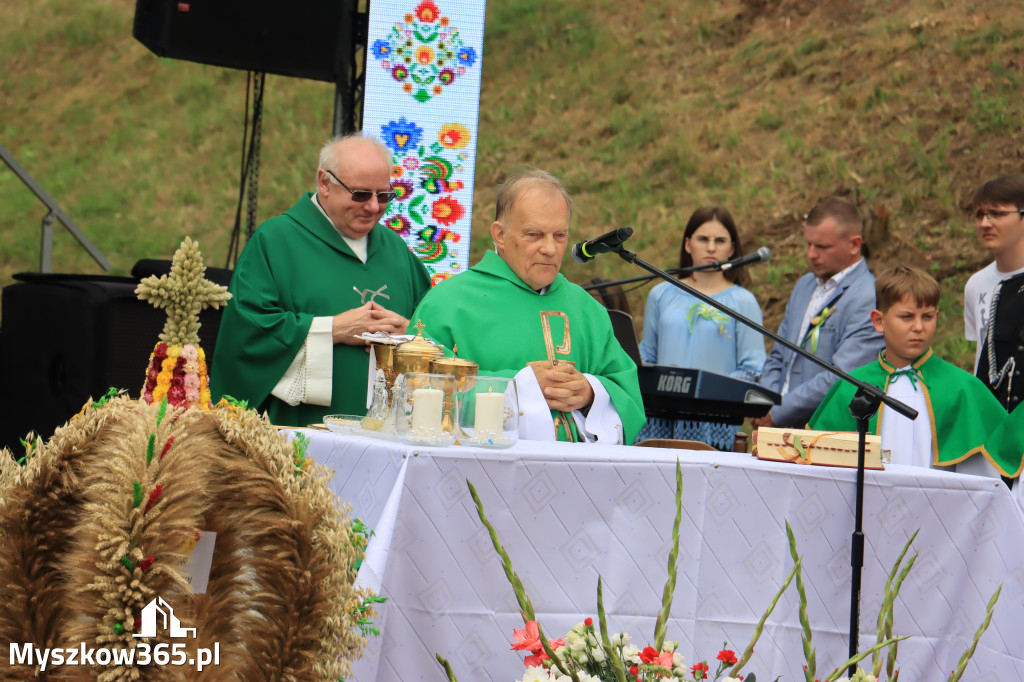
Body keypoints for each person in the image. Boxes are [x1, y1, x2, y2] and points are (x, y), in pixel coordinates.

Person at [408, 169, 646, 444]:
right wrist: (521, 387)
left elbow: (626, 391)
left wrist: (590, 392)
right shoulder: (448, 304)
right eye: (534, 234)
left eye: (559, 235)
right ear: (500, 235)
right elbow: (417, 393)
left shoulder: (586, 309)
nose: (550, 248)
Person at [211, 134, 432, 426]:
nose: (374, 207)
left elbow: (430, 329)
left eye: (384, 195)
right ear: (325, 183)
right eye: (361, 194)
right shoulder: (276, 241)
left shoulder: (396, 251)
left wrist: (407, 334)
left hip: (387, 434)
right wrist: (332, 329)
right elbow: (247, 333)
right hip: (299, 431)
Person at [808, 266, 1019, 478]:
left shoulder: (963, 389)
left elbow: (982, 482)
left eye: (927, 317)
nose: (918, 327)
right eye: (907, 317)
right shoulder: (852, 388)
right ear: (879, 321)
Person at [636, 206, 766, 449]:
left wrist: (707, 390)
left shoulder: (743, 301)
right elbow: (647, 354)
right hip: (658, 417)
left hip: (714, 422)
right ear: (687, 245)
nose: (711, 247)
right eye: (703, 239)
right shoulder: (661, 293)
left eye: (720, 240)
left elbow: (752, 368)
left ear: (732, 249)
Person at [753, 196, 883, 429]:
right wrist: (766, 402)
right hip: (776, 428)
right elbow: (778, 353)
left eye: (822, 247)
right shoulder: (804, 286)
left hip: (821, 432)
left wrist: (779, 413)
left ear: (854, 245)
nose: (811, 254)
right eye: (808, 244)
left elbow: (842, 376)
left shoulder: (868, 297)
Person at [964, 174, 1024, 412]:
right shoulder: (976, 285)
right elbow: (981, 356)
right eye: (980, 215)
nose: (985, 223)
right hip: (993, 418)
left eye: (997, 214)